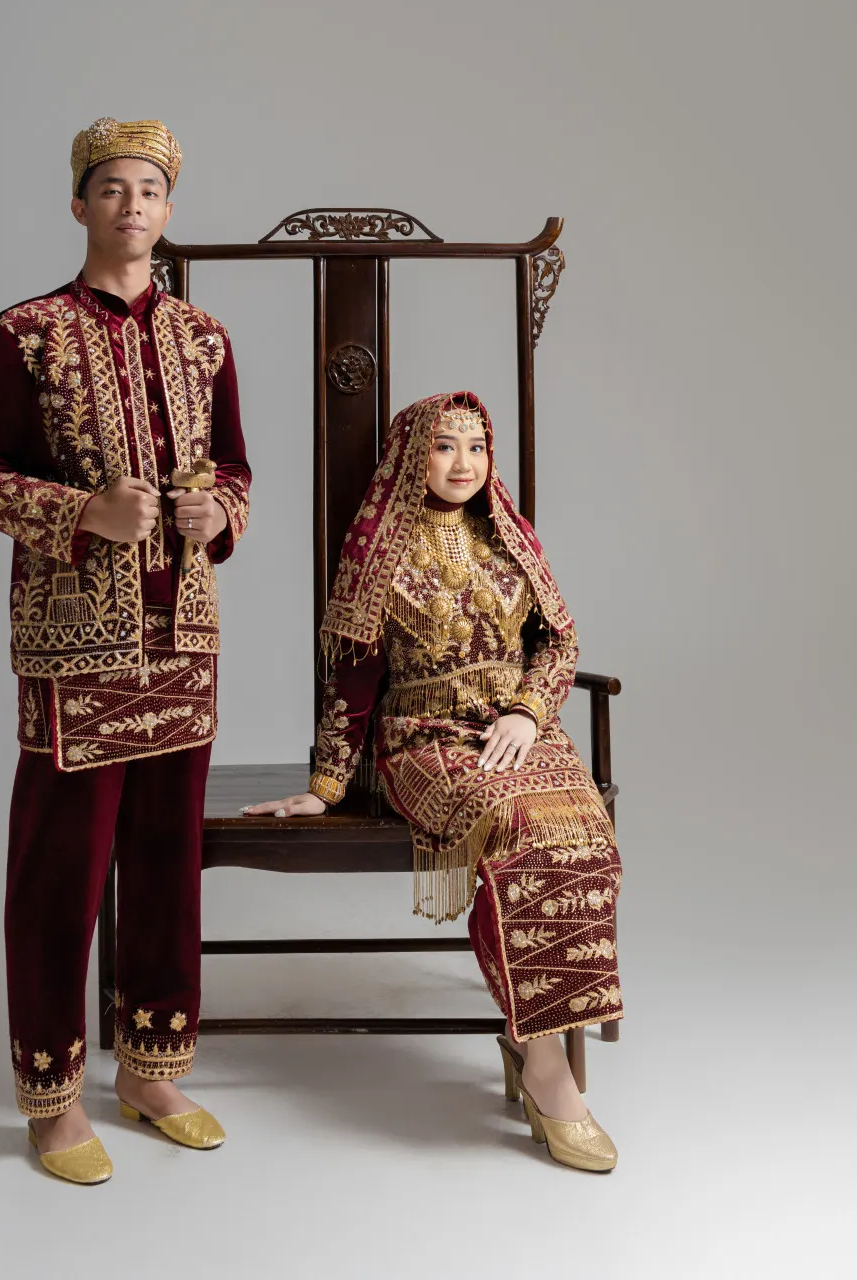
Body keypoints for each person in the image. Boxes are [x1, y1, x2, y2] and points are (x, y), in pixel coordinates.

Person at [0, 117, 250, 1184]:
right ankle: (52, 1095)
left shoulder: (204, 338)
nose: (133, 205)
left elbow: (236, 471)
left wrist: (220, 514)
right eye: (112, 188)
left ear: (169, 210)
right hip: (75, 645)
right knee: (59, 873)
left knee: (167, 864)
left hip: (185, 638)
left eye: (150, 190)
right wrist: (84, 513)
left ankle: (153, 1072)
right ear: (79, 204)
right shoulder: (25, 334)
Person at [245, 392, 621, 1172]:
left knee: (583, 837)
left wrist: (527, 711)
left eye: (477, 448)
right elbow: (353, 675)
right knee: (520, 831)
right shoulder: (380, 548)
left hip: (518, 731)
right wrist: (326, 783)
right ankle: (547, 1068)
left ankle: (528, 1034)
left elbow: (559, 642)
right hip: (424, 738)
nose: (463, 464)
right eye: (445, 447)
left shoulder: (508, 535)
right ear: (414, 457)